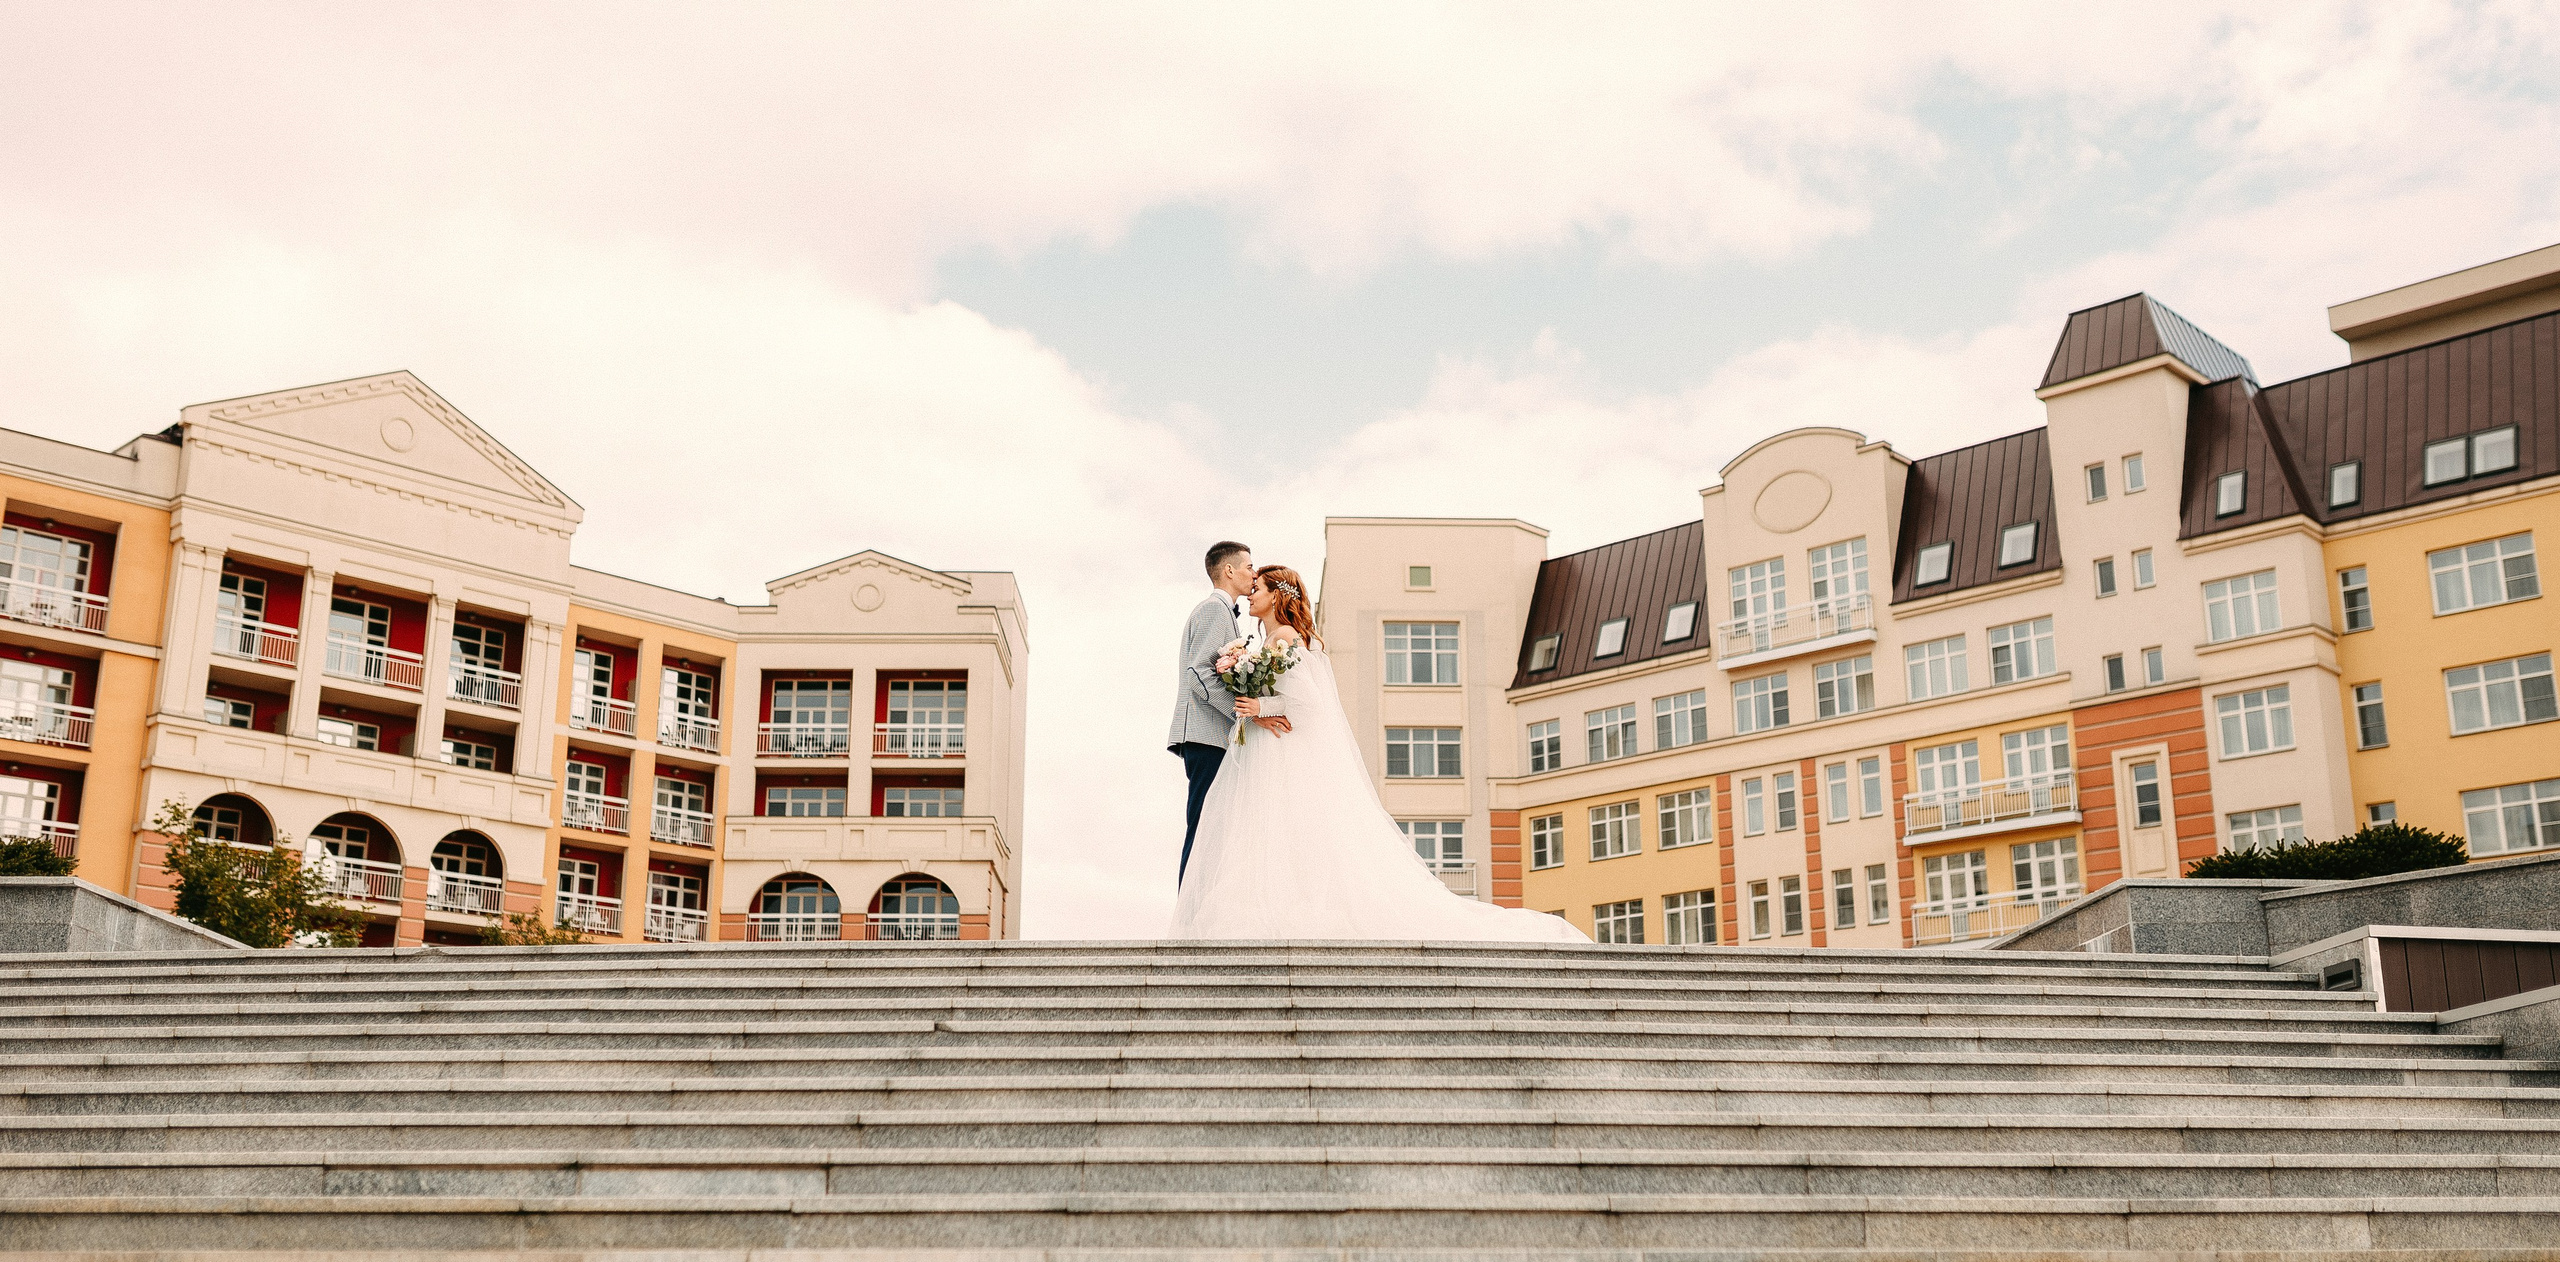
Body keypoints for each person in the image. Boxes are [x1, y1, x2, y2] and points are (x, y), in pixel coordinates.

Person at [1169, 562, 1590, 942]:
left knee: (1276, 827)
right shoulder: (1278, 638)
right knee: (1275, 830)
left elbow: (1308, 703)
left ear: (1278, 595)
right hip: (1267, 748)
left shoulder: (1284, 637)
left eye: (1259, 587)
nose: (1252, 593)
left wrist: (1261, 706)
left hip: (1276, 750)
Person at [1166, 541, 1288, 885]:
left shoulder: (1223, 614)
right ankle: (1188, 921)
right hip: (1205, 736)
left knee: (1214, 826)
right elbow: (1198, 674)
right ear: (1229, 570)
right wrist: (1243, 714)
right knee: (1204, 825)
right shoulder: (1213, 610)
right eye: (1249, 566)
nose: (1254, 573)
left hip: (1212, 736)